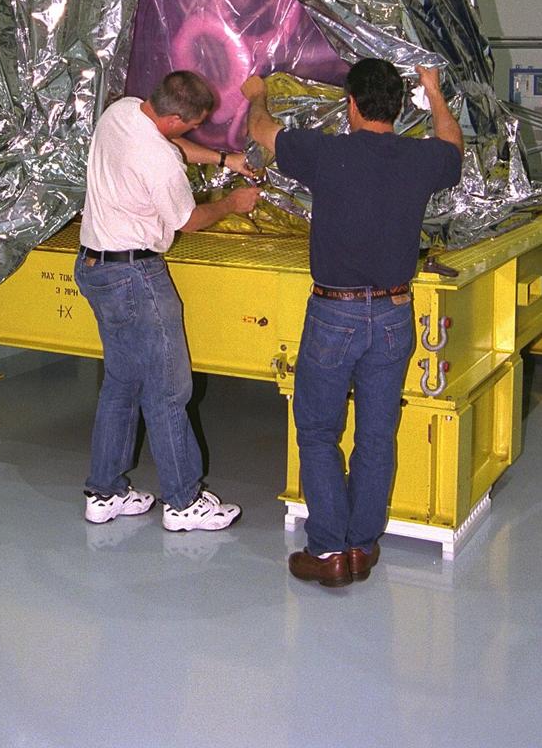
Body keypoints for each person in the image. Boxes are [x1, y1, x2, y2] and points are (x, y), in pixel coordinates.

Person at [241, 59, 463, 587]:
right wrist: (433, 91)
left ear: (353, 105)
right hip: (393, 313)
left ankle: (327, 552)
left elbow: (260, 131)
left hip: (334, 313)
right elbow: (452, 143)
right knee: (377, 435)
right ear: (396, 107)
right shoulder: (422, 159)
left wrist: (256, 93)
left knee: (318, 431)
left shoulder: (327, 153)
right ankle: (361, 547)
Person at [75, 69, 261, 531]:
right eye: (193, 123)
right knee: (169, 391)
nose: (194, 131)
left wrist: (225, 160)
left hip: (95, 267)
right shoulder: (159, 161)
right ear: (176, 118)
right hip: (136, 277)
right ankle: (183, 502)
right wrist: (232, 204)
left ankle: (105, 493)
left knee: (121, 385)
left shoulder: (122, 112)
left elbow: (174, 145)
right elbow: (189, 220)